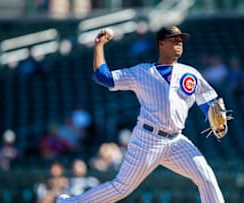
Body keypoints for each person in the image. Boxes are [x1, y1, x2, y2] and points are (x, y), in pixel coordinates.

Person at [57, 25, 226, 203]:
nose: (179, 43)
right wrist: (99, 46)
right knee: (121, 187)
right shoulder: (142, 72)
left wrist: (214, 115)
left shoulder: (190, 74)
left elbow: (209, 101)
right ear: (161, 44)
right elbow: (104, 77)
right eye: (174, 39)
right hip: (148, 139)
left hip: (176, 141)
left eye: (181, 40)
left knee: (206, 176)